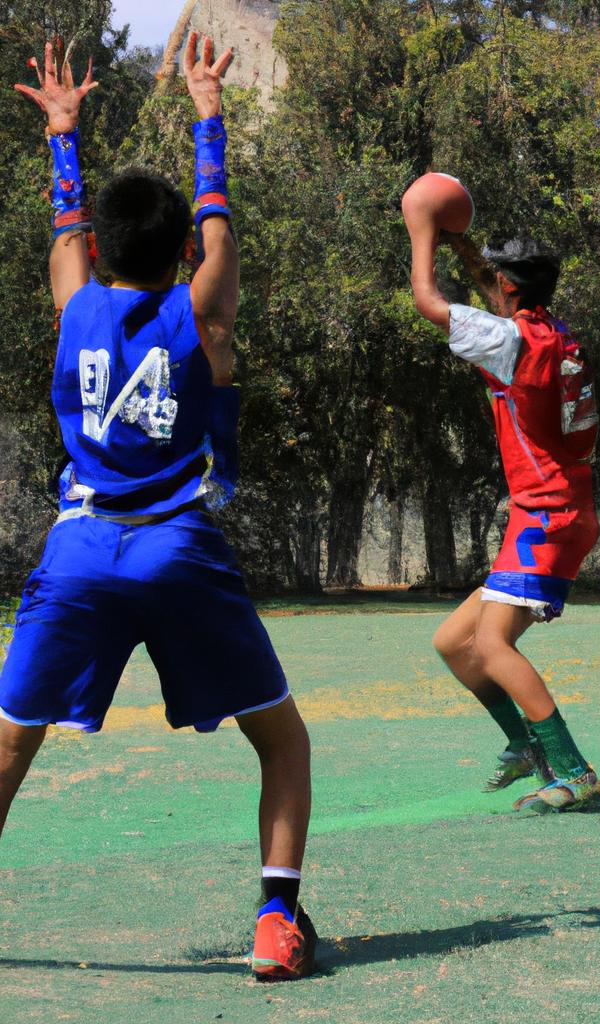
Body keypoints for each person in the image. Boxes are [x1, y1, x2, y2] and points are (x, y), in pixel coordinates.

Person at [2, 35, 316, 980]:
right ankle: (275, 921)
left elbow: (66, 231)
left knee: (13, 741)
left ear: (98, 249)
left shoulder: (74, 305)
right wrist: (207, 115)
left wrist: (66, 132)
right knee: (283, 738)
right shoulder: (197, 313)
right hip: (177, 548)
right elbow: (220, 235)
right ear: (182, 251)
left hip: (82, 550)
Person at [405, 209, 600, 812]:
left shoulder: (508, 340)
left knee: (491, 646)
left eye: (496, 276)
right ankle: (525, 745)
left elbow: (427, 299)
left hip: (547, 514)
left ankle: (574, 770)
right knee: (452, 641)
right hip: (555, 508)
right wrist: (464, 243)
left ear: (510, 287)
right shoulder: (549, 331)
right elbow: (500, 298)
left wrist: (422, 228)